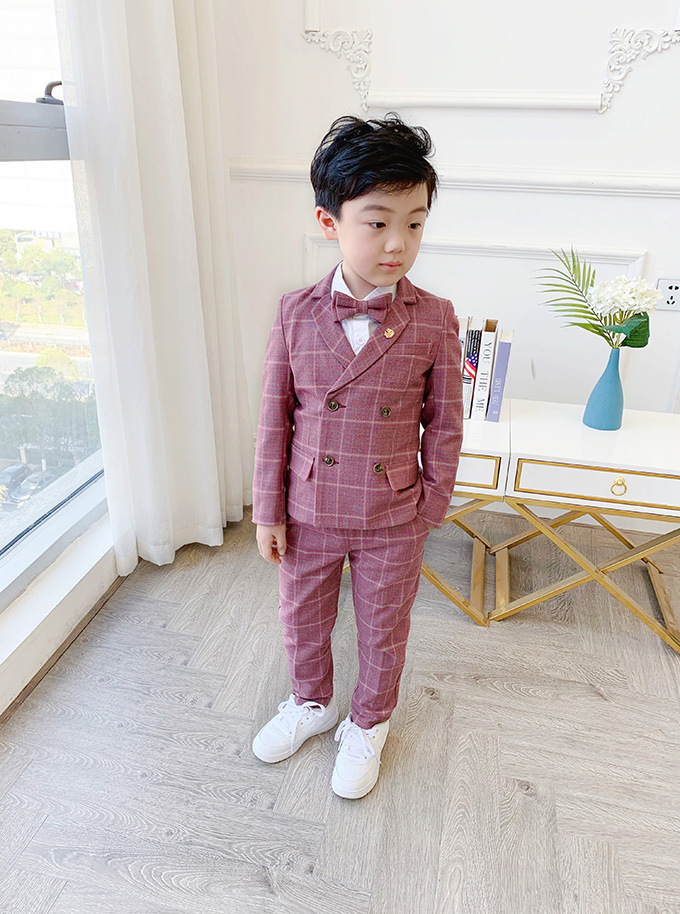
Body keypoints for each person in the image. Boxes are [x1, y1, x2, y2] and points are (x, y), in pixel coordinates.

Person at [251, 113, 464, 799]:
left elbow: (445, 424)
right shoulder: (294, 312)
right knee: (302, 617)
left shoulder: (435, 317)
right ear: (329, 222)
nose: (398, 243)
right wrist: (268, 511)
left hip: (393, 512)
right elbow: (274, 421)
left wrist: (429, 507)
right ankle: (311, 702)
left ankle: (369, 722)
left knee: (384, 625)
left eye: (415, 223)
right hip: (309, 506)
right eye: (377, 222)